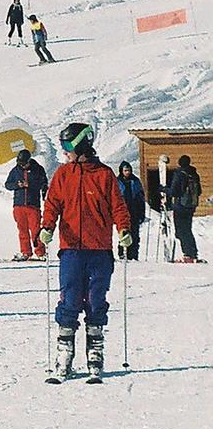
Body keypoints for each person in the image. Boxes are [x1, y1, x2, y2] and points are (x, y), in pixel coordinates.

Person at [40, 123, 131, 381]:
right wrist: (46, 227)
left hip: (99, 250)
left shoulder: (104, 175)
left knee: (95, 300)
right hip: (71, 250)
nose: (64, 151)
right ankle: (64, 357)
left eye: (68, 146)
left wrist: (123, 229)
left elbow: (118, 207)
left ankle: (95, 355)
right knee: (69, 299)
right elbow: (52, 204)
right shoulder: (63, 174)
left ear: (80, 146)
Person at [4, 149, 49, 260]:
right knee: (22, 230)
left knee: (36, 230)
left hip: (33, 204)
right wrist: (17, 184)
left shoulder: (38, 169)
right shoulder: (15, 171)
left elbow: (43, 184)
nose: (22, 165)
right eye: (20, 163)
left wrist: (30, 184)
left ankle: (40, 253)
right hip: (19, 205)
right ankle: (25, 252)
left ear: (29, 161)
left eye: (24, 163)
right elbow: (8, 185)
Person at [167, 155, 204, 263]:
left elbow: (174, 191)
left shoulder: (179, 174)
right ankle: (193, 253)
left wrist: (163, 189)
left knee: (181, 231)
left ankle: (188, 253)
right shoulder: (194, 174)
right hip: (191, 206)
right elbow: (199, 191)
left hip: (180, 206)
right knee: (187, 229)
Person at [117, 161, 146, 262]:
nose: (127, 172)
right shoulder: (118, 182)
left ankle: (133, 254)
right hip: (123, 210)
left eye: (129, 170)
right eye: (125, 170)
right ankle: (122, 253)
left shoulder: (135, 181)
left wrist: (142, 212)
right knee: (124, 232)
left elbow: (141, 197)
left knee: (135, 234)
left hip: (134, 210)